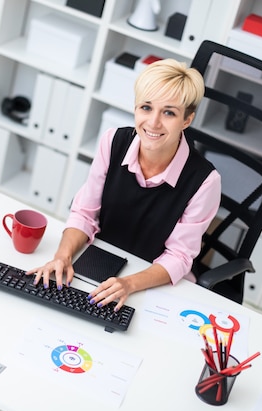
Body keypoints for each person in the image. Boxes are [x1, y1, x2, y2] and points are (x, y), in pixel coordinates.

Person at [27, 58, 222, 311]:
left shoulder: (205, 181)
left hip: (152, 284)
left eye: (169, 112)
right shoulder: (113, 142)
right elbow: (85, 213)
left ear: (186, 120)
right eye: (146, 107)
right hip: (100, 264)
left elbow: (179, 257)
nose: (153, 123)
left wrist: (129, 284)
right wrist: (62, 256)